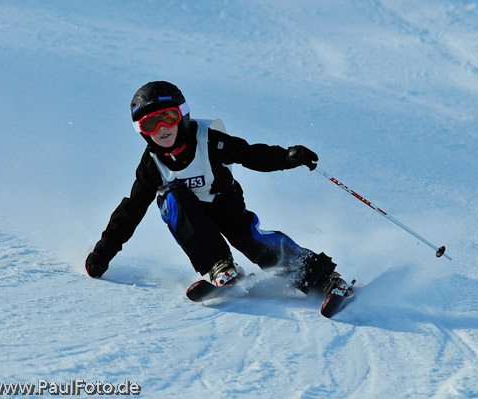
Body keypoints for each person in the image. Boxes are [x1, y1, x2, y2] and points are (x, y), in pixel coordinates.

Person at [85, 81, 346, 296]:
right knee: (172, 200)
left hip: (226, 205)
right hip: (189, 216)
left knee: (255, 243)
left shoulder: (208, 139)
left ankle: (322, 278)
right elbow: (131, 209)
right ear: (142, 132)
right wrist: (103, 251)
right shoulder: (151, 164)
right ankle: (218, 266)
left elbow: (250, 154)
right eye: (151, 125)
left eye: (168, 117)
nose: (162, 129)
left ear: (182, 115)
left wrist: (286, 158)